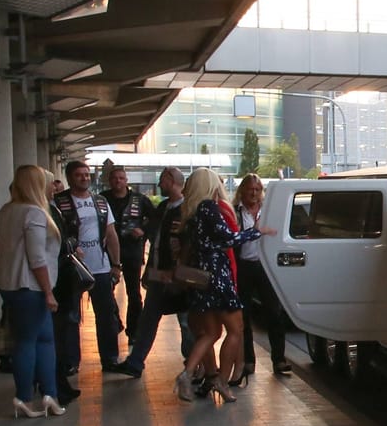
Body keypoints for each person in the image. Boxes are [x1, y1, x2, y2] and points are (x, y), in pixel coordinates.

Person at [177, 168, 272, 403]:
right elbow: (228, 238)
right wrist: (255, 232)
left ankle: (189, 374)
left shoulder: (191, 212)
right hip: (219, 276)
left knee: (210, 332)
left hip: (203, 278)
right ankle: (221, 379)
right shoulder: (209, 207)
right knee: (235, 330)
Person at [0, 165, 67, 418]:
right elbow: (37, 258)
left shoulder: (7, 210)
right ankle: (25, 397)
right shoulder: (34, 213)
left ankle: (49, 394)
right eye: (46, 182)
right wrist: (48, 291)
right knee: (28, 341)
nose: (51, 187)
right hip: (30, 286)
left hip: (10, 283)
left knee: (43, 339)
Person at [48, 159, 123, 398]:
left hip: (100, 267)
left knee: (107, 313)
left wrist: (116, 264)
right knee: (70, 316)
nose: (84, 178)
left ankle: (110, 357)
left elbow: (111, 233)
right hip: (71, 269)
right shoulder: (58, 203)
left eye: (87, 174)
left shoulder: (101, 202)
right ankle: (70, 360)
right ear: (69, 178)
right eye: (79, 175)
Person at [117, 167, 195, 379]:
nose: (160, 184)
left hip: (179, 277)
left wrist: (180, 273)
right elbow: (156, 241)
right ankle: (135, 362)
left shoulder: (188, 210)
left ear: (171, 180)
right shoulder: (162, 208)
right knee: (148, 318)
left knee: (186, 322)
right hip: (159, 275)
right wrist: (150, 270)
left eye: (162, 180)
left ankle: (193, 363)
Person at [232, 174, 290, 379]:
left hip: (266, 266)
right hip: (244, 266)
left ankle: (279, 359)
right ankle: (248, 360)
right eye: (250, 189)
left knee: (274, 312)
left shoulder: (268, 212)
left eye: (257, 189)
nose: (254, 193)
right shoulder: (236, 212)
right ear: (243, 191)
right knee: (243, 315)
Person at [103, 166, 155, 341]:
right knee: (106, 289)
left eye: (121, 178)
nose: (118, 181)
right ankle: (114, 321)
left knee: (134, 293)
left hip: (132, 250)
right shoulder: (103, 199)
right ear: (110, 181)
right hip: (108, 251)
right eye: (114, 178)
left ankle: (134, 331)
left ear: (126, 181)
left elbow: (156, 218)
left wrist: (144, 230)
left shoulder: (139, 200)